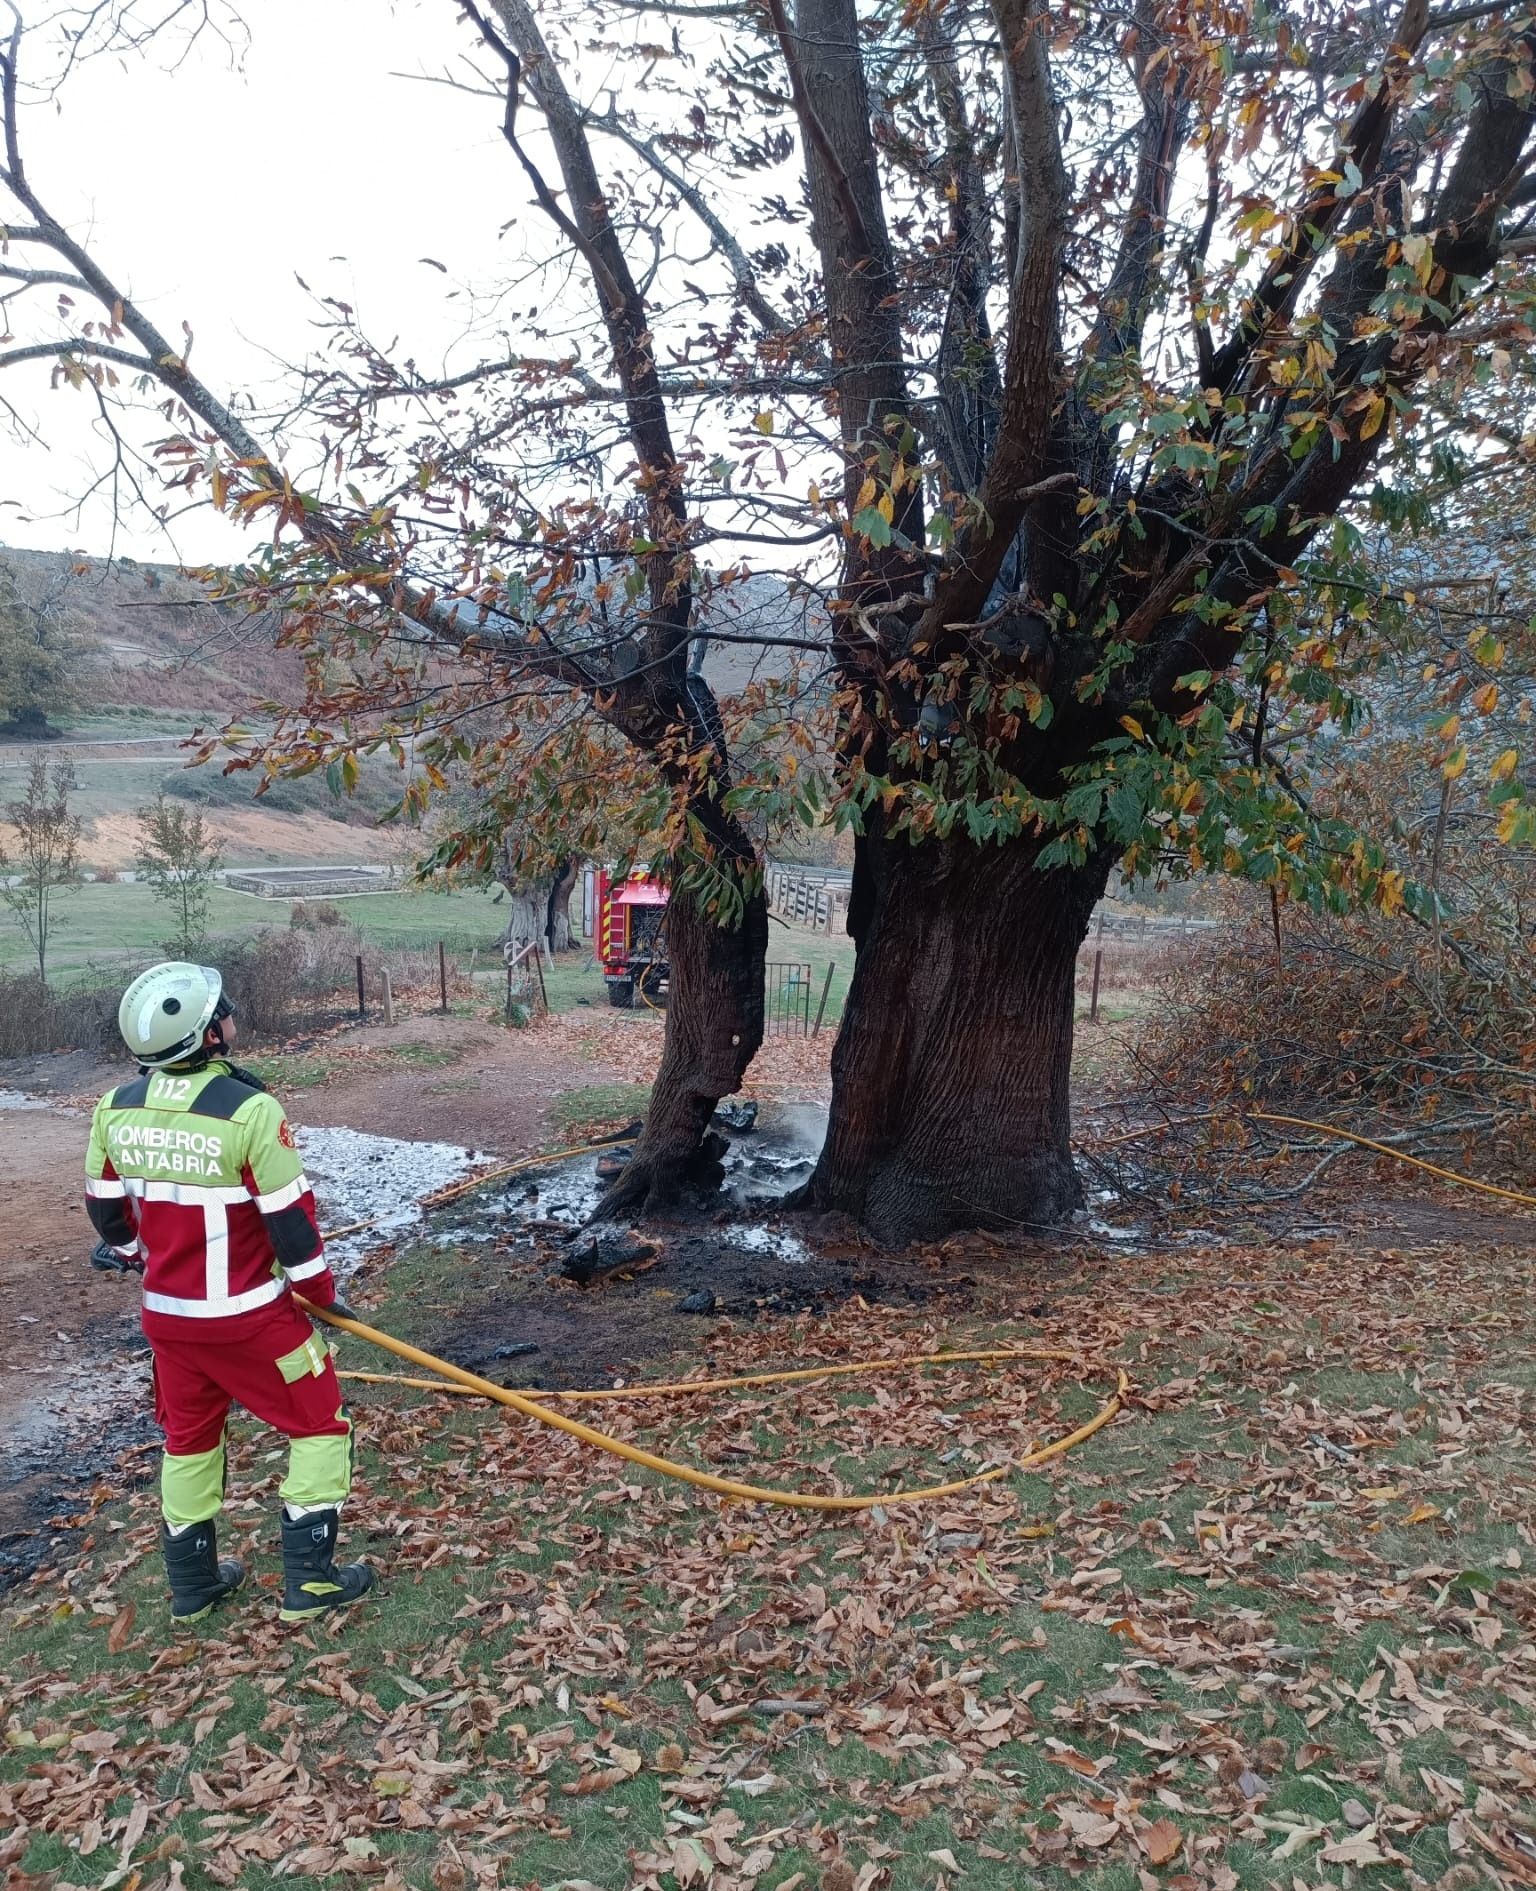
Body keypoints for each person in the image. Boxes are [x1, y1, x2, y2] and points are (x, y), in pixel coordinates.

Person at [85, 961, 374, 1625]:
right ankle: (312, 1580)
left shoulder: (115, 1107)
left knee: (187, 1439)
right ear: (208, 1036)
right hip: (251, 1319)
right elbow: (292, 1228)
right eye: (225, 1011)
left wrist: (135, 1253)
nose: (232, 1015)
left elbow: (105, 1212)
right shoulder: (251, 1109)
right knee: (321, 1424)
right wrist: (323, 1297)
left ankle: (193, 1586)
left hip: (168, 1322)